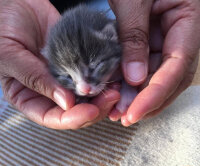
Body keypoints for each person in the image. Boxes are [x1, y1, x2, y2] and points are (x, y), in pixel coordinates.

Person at [0, 0, 199, 129]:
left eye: (93, 69)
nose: (83, 88)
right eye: (69, 77)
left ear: (112, 39)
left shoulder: (111, 37)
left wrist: (129, 84)